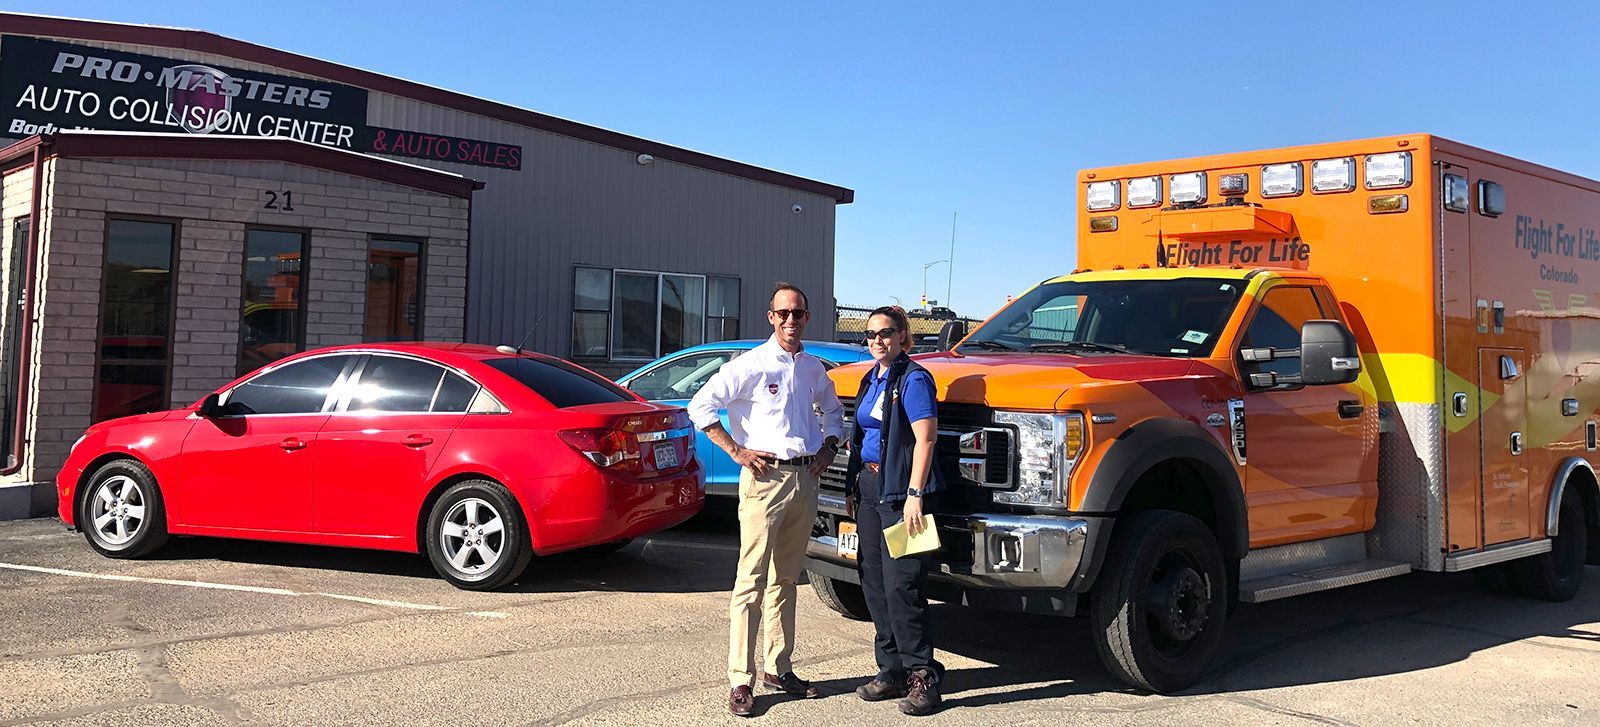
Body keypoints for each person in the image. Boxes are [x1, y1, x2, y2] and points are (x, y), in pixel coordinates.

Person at [688, 282, 845, 718]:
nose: (791, 320)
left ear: (808, 318)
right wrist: (737, 451)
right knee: (750, 581)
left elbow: (834, 412)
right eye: (784, 313)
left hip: (805, 479)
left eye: (799, 313)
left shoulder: (814, 369)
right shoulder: (751, 365)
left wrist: (829, 447)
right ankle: (741, 678)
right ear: (771, 317)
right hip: (764, 480)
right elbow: (701, 406)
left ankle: (779, 667)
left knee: (786, 580)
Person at [843, 305, 946, 716]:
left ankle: (923, 675)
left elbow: (926, 440)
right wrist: (853, 485)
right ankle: (891, 670)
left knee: (904, 586)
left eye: (885, 333)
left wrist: (915, 494)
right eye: (870, 334)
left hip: (902, 495)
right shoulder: (872, 377)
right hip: (869, 490)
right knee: (873, 581)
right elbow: (861, 434)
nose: (877, 341)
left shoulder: (914, 378)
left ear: (904, 335)